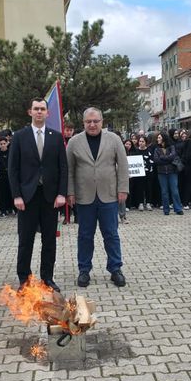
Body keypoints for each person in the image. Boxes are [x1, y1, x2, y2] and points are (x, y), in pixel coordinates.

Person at [9, 98, 68, 292]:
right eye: (36, 109)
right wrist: (17, 195)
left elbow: (63, 168)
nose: (39, 112)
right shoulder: (19, 136)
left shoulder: (57, 137)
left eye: (43, 109)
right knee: (25, 240)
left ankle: (47, 279)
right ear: (30, 112)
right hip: (27, 197)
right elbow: (13, 169)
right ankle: (24, 280)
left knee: (49, 240)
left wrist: (62, 193)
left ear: (47, 113)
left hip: (50, 197)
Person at [67, 108, 129, 288]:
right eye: (88, 122)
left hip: (109, 195)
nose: (92, 125)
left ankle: (115, 269)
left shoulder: (114, 139)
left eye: (95, 121)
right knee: (85, 235)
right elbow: (69, 170)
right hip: (84, 196)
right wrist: (70, 192)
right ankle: (84, 270)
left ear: (102, 121)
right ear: (83, 123)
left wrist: (122, 188)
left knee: (111, 234)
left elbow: (123, 166)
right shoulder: (74, 142)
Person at [153, 131, 183, 216]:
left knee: (175, 191)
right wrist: (167, 159)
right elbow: (156, 160)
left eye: (159, 138)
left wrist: (162, 157)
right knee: (164, 192)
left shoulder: (171, 147)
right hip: (161, 173)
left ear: (163, 138)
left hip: (172, 172)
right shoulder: (156, 149)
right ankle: (166, 210)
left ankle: (178, 208)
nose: (157, 139)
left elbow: (173, 156)